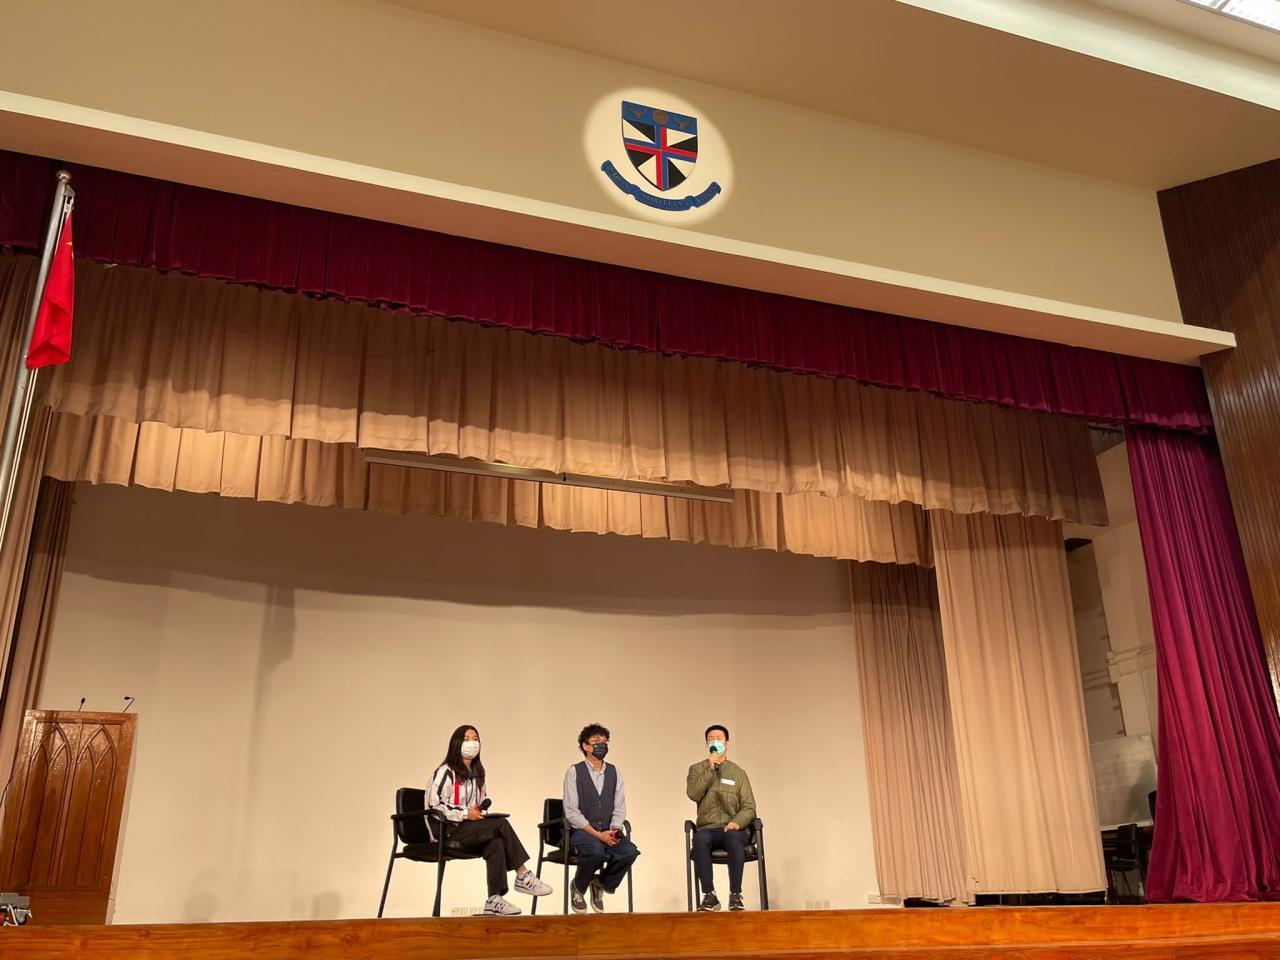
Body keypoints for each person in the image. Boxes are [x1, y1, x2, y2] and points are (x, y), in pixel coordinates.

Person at [427, 724, 552, 916]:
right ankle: (522, 875)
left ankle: (494, 899)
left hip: (466, 829)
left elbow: (476, 807)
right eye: (466, 739)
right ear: (457, 743)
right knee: (500, 824)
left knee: (496, 842)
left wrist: (478, 811)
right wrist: (465, 813)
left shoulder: (478, 775)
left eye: (475, 739)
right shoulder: (446, 771)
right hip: (445, 830)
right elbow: (434, 805)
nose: (472, 743)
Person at [562, 723, 641, 914]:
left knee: (629, 852)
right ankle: (578, 887)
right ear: (585, 746)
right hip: (583, 831)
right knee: (595, 851)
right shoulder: (574, 772)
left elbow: (619, 806)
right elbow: (571, 811)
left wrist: (614, 829)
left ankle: (600, 883)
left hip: (608, 829)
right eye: (597, 742)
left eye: (605, 742)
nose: (602, 745)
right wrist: (598, 835)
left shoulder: (614, 772)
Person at [686, 724, 756, 912]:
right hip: (707, 828)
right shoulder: (696, 769)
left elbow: (749, 806)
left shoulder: (738, 772)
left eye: (719, 739)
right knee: (699, 839)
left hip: (732, 828)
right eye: (711, 739)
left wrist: (737, 822)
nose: (715, 742)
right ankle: (709, 896)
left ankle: (735, 895)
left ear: (727, 743)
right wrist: (710, 769)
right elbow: (693, 793)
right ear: (706, 744)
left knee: (734, 838)